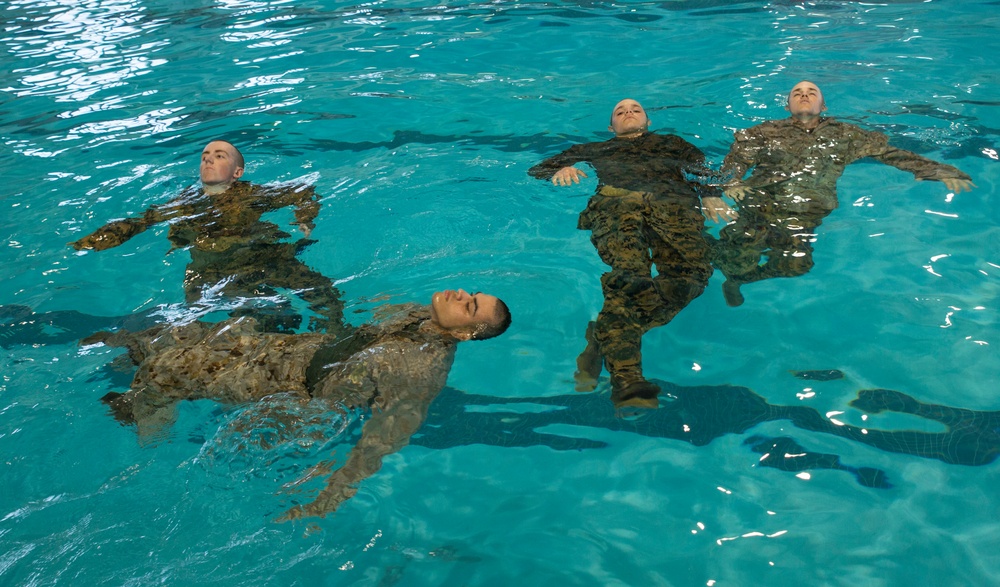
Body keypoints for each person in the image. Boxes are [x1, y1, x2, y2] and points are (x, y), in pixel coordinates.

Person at [91, 287, 511, 519]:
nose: (459, 294)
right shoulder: (414, 314)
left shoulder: (423, 370)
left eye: (469, 305)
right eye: (470, 292)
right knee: (173, 334)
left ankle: (149, 423)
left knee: (163, 372)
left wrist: (331, 495)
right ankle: (139, 376)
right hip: (295, 350)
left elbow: (387, 436)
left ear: (466, 334)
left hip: (293, 387)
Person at [529, 99, 735, 410]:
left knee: (692, 277)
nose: (628, 112)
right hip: (617, 206)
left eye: (636, 109)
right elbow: (537, 169)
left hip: (673, 206)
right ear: (611, 127)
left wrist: (710, 195)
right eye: (620, 111)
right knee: (630, 279)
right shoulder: (595, 149)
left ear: (648, 120)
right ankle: (627, 378)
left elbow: (703, 171)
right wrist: (563, 166)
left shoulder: (673, 143)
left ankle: (603, 337)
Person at [715, 80, 975, 306]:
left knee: (796, 266)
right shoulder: (763, 132)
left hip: (808, 211)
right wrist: (730, 183)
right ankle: (732, 272)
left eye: (811, 91)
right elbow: (735, 161)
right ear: (787, 107)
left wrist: (937, 170)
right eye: (796, 92)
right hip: (761, 203)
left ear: (823, 106)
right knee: (738, 258)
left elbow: (891, 154)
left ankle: (740, 279)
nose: (804, 94)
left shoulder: (847, 135)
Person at [69, 140, 345, 334]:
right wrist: (95, 240)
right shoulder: (183, 202)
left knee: (326, 295)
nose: (208, 158)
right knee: (254, 316)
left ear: (238, 172)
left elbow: (302, 190)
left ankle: (334, 335)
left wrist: (305, 217)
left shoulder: (252, 194)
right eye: (205, 155)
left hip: (265, 257)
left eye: (219, 155)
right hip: (209, 271)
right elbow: (141, 221)